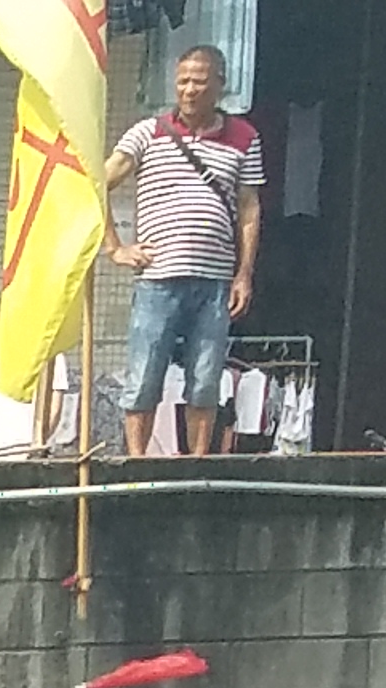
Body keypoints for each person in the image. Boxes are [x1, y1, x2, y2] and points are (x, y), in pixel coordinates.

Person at [102, 45, 259, 459]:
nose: (189, 90)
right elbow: (96, 184)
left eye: (199, 82)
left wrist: (244, 273)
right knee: (144, 376)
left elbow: (249, 207)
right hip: (157, 279)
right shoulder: (147, 132)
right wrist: (115, 248)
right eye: (183, 81)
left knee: (205, 379)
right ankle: (136, 462)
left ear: (220, 85)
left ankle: (197, 461)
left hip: (214, 281)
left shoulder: (244, 137)